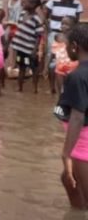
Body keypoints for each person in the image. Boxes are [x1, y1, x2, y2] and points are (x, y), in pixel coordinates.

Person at [54, 23, 88, 209]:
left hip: (82, 144)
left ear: (74, 46)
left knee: (75, 182)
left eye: (66, 45)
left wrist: (66, 154)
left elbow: (77, 117)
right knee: (68, 181)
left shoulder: (77, 76)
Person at [46, 0, 83, 93]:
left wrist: (73, 35)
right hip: (54, 34)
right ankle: (53, 87)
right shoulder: (53, 1)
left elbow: (76, 21)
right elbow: (45, 15)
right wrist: (49, 29)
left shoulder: (78, 4)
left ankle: (67, 88)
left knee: (68, 60)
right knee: (52, 62)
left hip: (70, 36)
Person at [11, 0, 44, 93]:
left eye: (25, 2)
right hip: (20, 48)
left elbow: (39, 36)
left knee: (34, 68)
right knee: (21, 67)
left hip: (30, 49)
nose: (23, 3)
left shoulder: (37, 19)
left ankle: (35, 88)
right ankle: (19, 87)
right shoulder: (21, 14)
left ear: (33, 5)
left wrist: (34, 50)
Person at [53, 17, 79, 94]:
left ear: (74, 26)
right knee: (61, 91)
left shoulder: (76, 38)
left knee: (73, 89)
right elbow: (54, 51)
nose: (63, 26)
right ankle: (60, 103)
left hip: (73, 66)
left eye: (66, 24)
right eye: (62, 24)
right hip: (60, 67)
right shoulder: (57, 37)